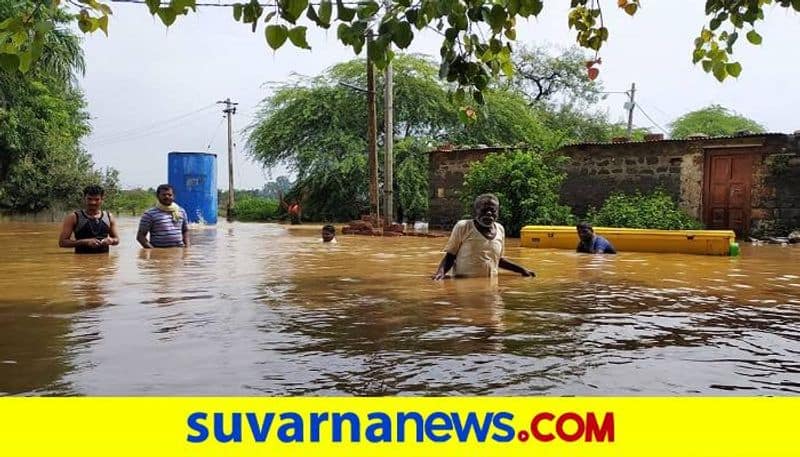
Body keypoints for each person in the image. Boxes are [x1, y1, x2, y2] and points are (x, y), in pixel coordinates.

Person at [432, 193, 535, 279]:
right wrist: (440, 273)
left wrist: (522, 270)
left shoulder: (500, 229)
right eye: (484, 210)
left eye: (493, 210)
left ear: (498, 212)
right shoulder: (463, 226)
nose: (489, 213)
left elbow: (498, 260)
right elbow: (450, 255)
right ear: (475, 211)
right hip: (465, 288)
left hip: (491, 287)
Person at [58, 185, 120, 254]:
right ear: (84, 198)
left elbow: (116, 240)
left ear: (102, 199)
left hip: (104, 262)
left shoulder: (109, 216)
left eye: (97, 199)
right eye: (89, 199)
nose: (93, 202)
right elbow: (62, 242)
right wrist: (85, 242)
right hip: (81, 261)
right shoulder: (74, 217)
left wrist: (111, 240)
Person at [137, 184, 190, 249]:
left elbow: (185, 231)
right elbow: (140, 237)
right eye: (164, 195)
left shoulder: (181, 211)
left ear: (174, 196)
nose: (167, 197)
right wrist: (153, 251)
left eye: (170, 195)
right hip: (158, 253)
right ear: (157, 196)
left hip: (179, 251)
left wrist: (187, 249)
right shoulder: (149, 214)